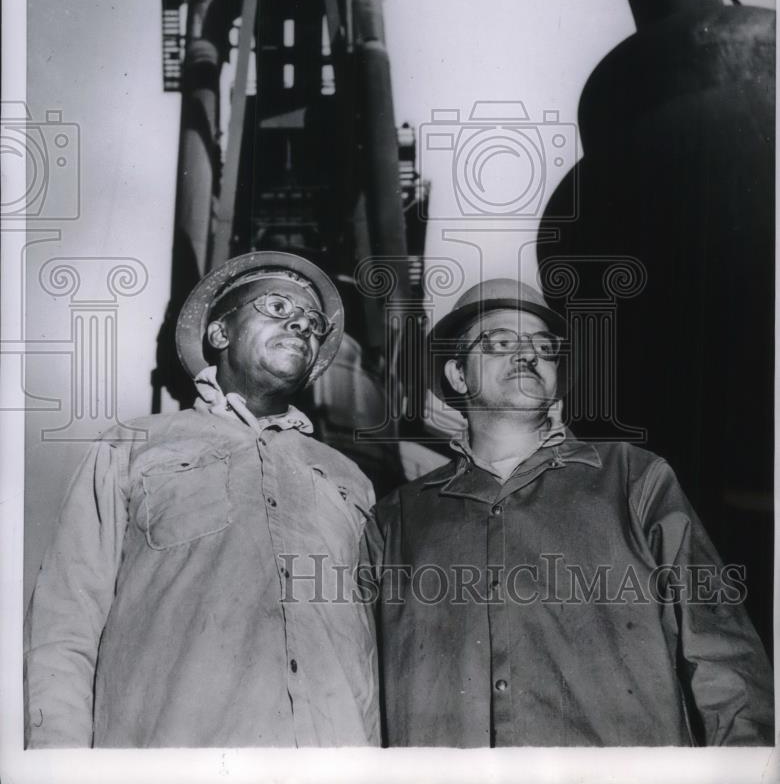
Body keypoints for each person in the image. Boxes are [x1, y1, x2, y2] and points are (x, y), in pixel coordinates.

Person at [364, 278, 774, 747]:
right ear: (458, 375)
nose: (528, 355)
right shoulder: (396, 520)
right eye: (500, 342)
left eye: (543, 346)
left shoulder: (634, 480)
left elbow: (722, 650)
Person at [25, 251, 379, 748]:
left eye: (312, 322)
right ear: (220, 334)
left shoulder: (352, 481)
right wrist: (57, 764)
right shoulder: (131, 447)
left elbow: (370, 654)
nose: (301, 324)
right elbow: (66, 626)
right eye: (278, 308)